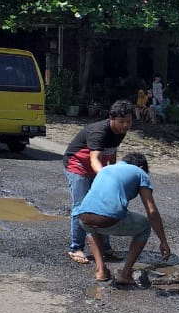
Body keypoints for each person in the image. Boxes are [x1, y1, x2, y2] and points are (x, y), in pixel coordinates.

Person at [74, 153, 171, 284]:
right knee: (144, 227)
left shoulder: (106, 169)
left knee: (92, 225)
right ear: (141, 166)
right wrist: (163, 241)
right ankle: (125, 274)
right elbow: (152, 211)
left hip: (83, 217)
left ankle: (101, 270)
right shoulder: (140, 173)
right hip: (108, 218)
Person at [63, 100, 133, 265]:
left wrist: (114, 172)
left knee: (103, 206)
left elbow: (111, 153)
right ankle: (76, 248)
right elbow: (95, 160)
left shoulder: (121, 131)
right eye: (122, 121)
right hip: (77, 166)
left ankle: (105, 247)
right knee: (81, 207)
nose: (125, 125)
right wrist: (107, 181)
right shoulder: (98, 132)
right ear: (112, 118)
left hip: (97, 168)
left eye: (128, 122)